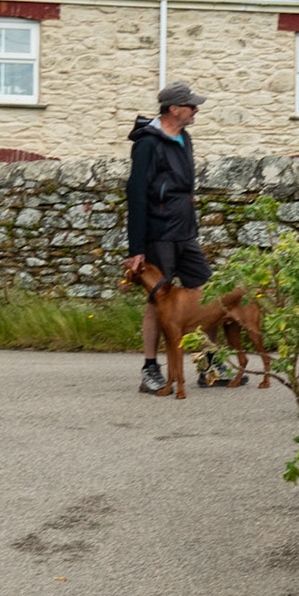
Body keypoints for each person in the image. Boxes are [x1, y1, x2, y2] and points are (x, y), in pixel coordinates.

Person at [123, 81, 211, 394]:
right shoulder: (148, 143)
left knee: (203, 290)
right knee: (157, 300)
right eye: (191, 106)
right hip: (158, 233)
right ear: (174, 109)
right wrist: (136, 248)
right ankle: (150, 369)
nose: (196, 110)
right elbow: (135, 194)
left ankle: (207, 363)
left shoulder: (184, 138)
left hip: (185, 231)